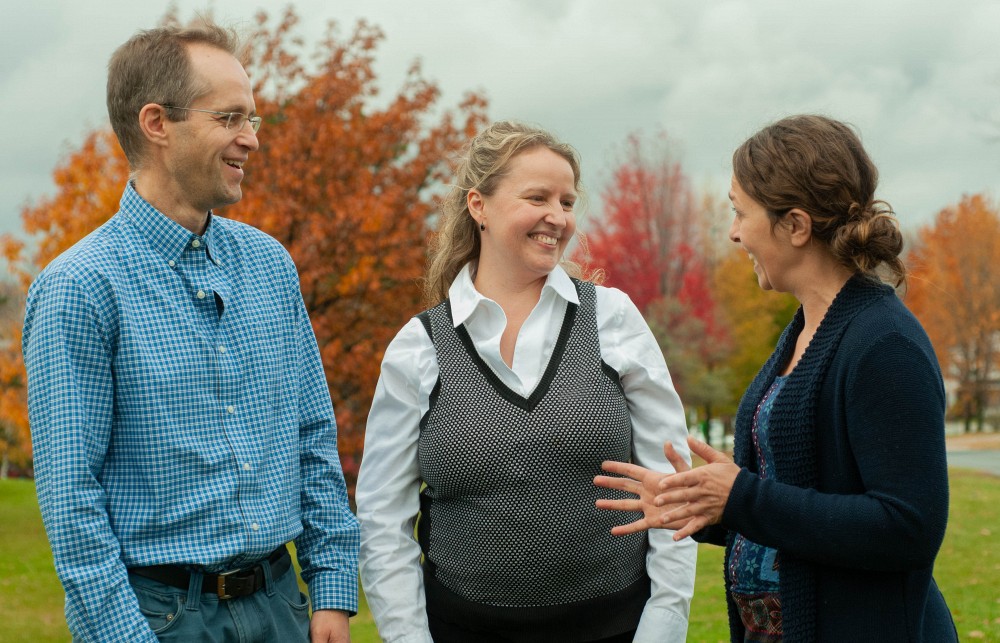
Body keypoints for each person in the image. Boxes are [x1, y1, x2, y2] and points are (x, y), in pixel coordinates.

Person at [22, 20, 359, 643]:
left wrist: (332, 588)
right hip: (162, 619)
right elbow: (71, 497)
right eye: (230, 118)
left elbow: (311, 433)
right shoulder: (79, 288)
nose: (251, 138)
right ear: (157, 123)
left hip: (282, 607)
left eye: (251, 119)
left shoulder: (270, 264)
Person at [596, 114, 958, 642]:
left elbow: (908, 527)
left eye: (740, 212)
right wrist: (709, 506)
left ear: (795, 225)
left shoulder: (884, 344)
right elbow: (794, 504)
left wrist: (742, 497)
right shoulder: (806, 329)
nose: (734, 232)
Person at [355, 121, 697, 642]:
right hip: (463, 630)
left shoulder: (612, 319)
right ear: (478, 205)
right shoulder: (419, 347)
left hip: (616, 628)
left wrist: (663, 628)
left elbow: (671, 486)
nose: (558, 217)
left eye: (567, 201)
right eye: (537, 197)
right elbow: (384, 519)